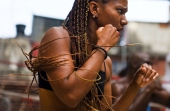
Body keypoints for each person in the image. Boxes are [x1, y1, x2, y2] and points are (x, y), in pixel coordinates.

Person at [25, 0, 159, 111]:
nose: (124, 21)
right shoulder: (58, 37)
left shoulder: (105, 62)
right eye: (120, 11)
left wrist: (134, 86)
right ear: (94, 8)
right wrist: (102, 48)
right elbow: (70, 96)